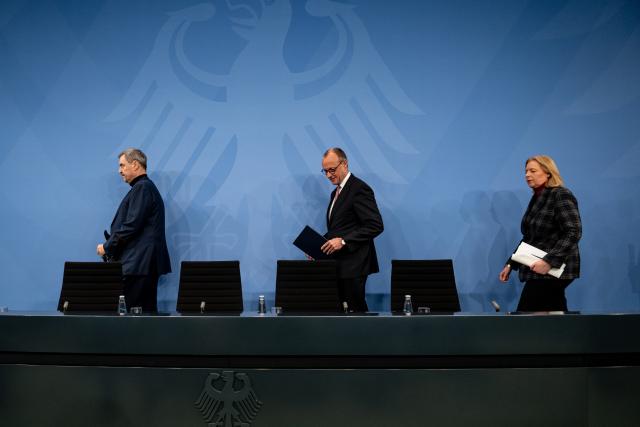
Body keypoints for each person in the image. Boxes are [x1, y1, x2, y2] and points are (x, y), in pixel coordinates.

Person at [499, 155, 581, 312]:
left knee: (530, 316)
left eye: (533, 170)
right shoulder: (537, 198)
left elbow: (573, 231)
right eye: (526, 171)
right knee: (551, 314)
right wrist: (511, 263)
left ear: (548, 173)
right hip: (539, 268)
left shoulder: (560, 194)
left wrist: (549, 261)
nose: (527, 175)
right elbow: (530, 237)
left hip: (553, 268)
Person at [97, 148, 171, 312]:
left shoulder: (142, 188)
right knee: (144, 317)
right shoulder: (145, 187)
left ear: (135, 165)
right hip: (141, 264)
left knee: (132, 320)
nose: (119, 171)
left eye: (122, 165)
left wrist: (107, 247)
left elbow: (131, 226)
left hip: (138, 264)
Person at [320, 148, 384, 312]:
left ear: (345, 164)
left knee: (357, 314)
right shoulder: (335, 192)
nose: (328, 175)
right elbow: (340, 227)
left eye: (332, 170)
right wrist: (319, 246)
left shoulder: (359, 188)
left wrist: (343, 241)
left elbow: (375, 225)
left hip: (354, 265)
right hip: (339, 265)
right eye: (325, 171)